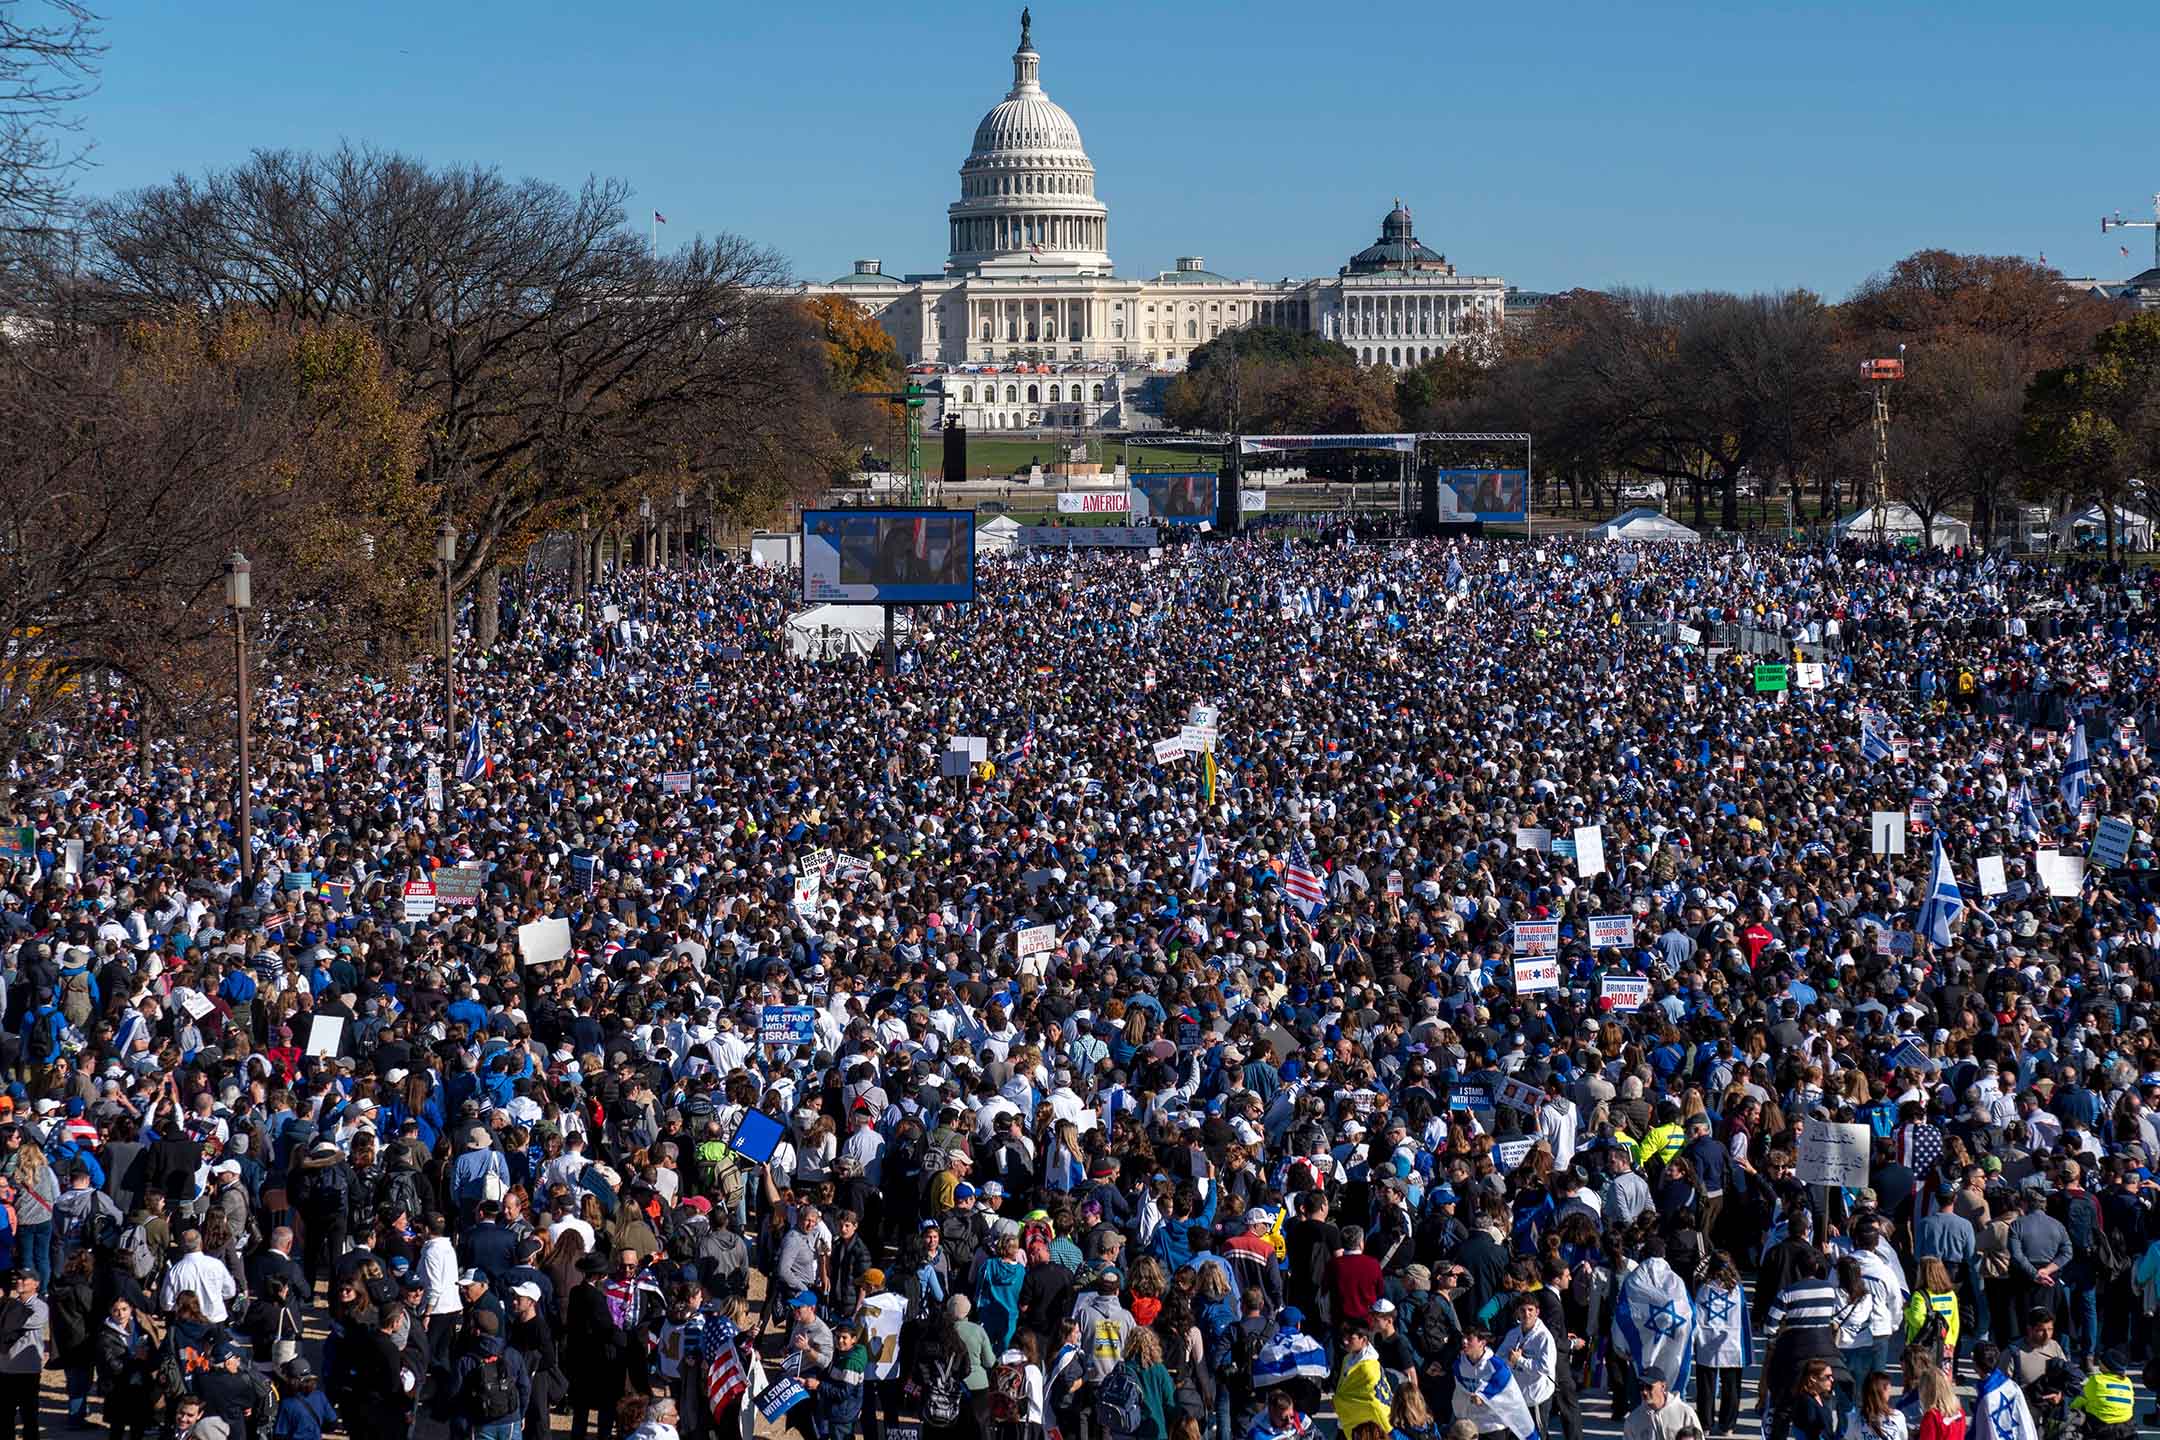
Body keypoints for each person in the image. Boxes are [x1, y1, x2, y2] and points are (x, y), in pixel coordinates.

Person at [1691, 1252, 1749, 1437]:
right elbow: (1743, 1318)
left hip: (1707, 1343)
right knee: (1731, 1386)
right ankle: (1727, 1425)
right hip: (1731, 1343)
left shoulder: (1704, 1288)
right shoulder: (1737, 1289)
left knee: (1706, 1386)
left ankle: (1705, 1424)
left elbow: (1697, 1315)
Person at [452, 1308, 533, 1440]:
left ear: (477, 1331)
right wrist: (520, 1414)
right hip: (510, 1420)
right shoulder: (513, 1354)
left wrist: (462, 1423)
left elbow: (456, 1395)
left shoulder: (466, 1361)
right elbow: (525, 1387)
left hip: (480, 1422)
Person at [94, 1298, 159, 1440]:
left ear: (130, 1310)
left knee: (138, 1426)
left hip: (140, 1385)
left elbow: (153, 1354)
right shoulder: (105, 1335)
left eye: (124, 1309)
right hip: (118, 1387)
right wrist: (134, 1357)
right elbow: (111, 1365)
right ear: (110, 1312)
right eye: (116, 1310)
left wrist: (148, 1358)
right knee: (117, 1427)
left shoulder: (140, 1329)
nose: (120, 1314)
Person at [0, 1268, 48, 1440]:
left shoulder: (40, 1306)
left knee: (29, 1416)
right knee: (5, 1415)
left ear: (36, 1284)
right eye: (18, 1278)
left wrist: (4, 1304)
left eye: (24, 1279)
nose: (19, 1281)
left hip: (27, 1369)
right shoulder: (9, 1304)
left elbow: (16, 1322)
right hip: (6, 1367)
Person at [2070, 1348, 2137, 1440]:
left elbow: (2079, 1401)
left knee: (2081, 1409)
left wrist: (2070, 1408)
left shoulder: (2096, 1380)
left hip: (2101, 1428)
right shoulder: (2127, 1381)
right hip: (2126, 1427)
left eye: (2101, 1361)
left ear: (2107, 1366)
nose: (2099, 1362)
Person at [1843, 1373, 1904, 1440]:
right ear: (1884, 1391)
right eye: (1889, 1388)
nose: (1890, 1391)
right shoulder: (1897, 1416)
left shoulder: (1854, 1418)